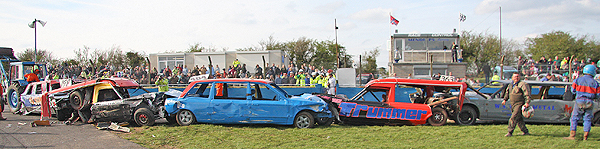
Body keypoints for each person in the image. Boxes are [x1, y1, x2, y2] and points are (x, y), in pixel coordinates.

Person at [564, 65, 599, 140]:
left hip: (579, 100)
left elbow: (573, 90)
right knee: (587, 119)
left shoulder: (577, 80)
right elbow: (598, 94)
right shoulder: (595, 83)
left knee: (574, 118)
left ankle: (572, 135)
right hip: (590, 101)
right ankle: (585, 136)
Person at [502, 72, 531, 137]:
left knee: (513, 117)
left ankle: (510, 132)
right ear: (512, 77)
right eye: (515, 76)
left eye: (517, 76)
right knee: (519, 119)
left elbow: (527, 93)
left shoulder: (522, 84)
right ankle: (525, 131)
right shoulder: (511, 84)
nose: (516, 78)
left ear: (520, 77)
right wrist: (505, 99)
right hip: (513, 104)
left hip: (519, 103)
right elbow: (507, 93)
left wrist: (527, 102)